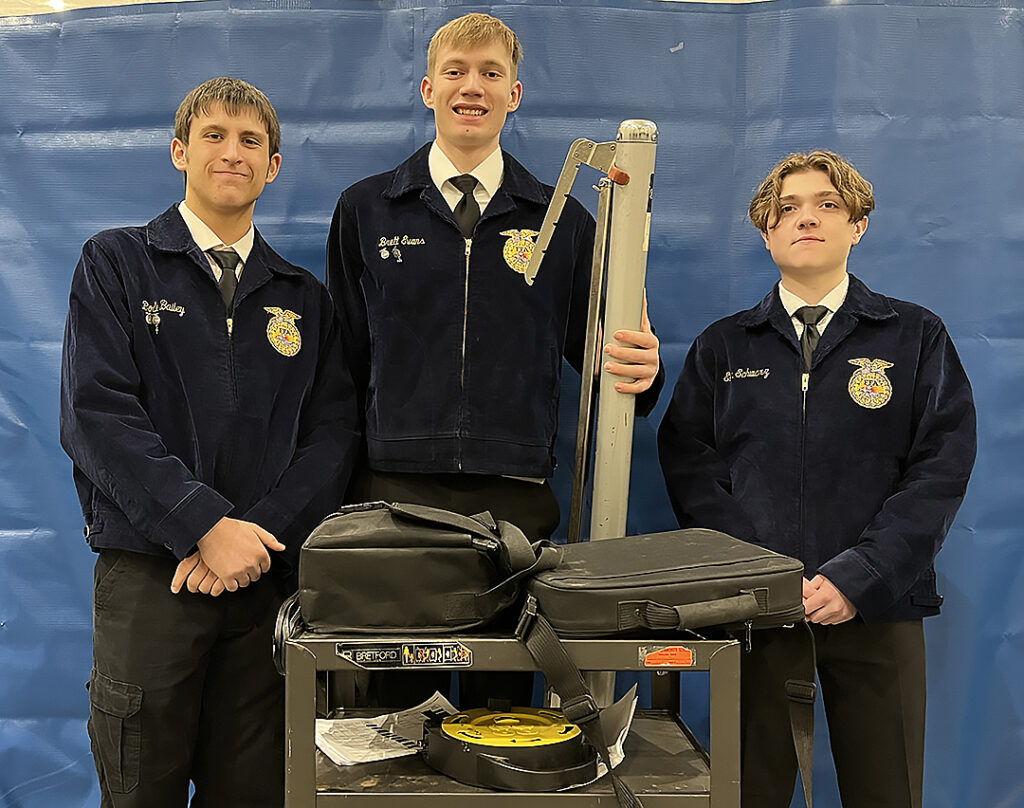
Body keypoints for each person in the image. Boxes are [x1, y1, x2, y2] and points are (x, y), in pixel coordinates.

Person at [326, 12, 663, 707]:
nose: (471, 87)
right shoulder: (366, 210)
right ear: (428, 88)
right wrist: (346, 490)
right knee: (394, 718)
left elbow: (608, 367)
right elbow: (344, 363)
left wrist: (643, 371)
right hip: (395, 500)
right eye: (455, 71)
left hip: (513, 505)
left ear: (515, 94)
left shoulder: (565, 222)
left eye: (490, 73)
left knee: (500, 718)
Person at [60, 77, 360, 807]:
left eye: (251, 140)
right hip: (151, 576)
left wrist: (255, 537)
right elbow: (97, 415)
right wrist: (202, 525)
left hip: (264, 583)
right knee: (141, 791)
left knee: (254, 793)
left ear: (273, 165)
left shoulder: (303, 298)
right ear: (179, 152)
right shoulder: (116, 264)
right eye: (214, 136)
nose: (233, 152)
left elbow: (332, 438)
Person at [658, 150, 976, 807]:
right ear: (765, 232)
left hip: (880, 607)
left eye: (827, 204)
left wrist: (862, 576)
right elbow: (690, 466)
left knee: (887, 791)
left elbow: (940, 466)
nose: (806, 218)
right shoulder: (724, 346)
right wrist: (763, 577)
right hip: (758, 614)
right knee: (749, 792)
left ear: (858, 225)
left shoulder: (914, 336)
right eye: (787, 209)